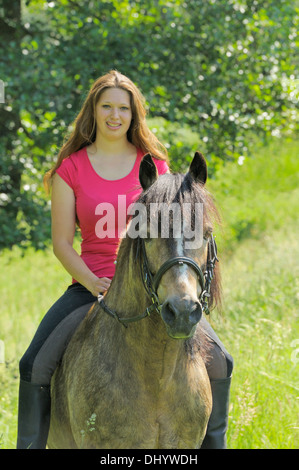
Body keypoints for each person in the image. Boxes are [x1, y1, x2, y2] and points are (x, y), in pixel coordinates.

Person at [17, 70, 233, 449]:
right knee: (34, 364)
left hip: (156, 286)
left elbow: (175, 238)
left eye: (123, 108)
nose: (115, 115)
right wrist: (89, 280)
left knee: (221, 364)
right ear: (93, 111)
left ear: (134, 115)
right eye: (107, 107)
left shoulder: (157, 169)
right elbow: (62, 243)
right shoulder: (71, 170)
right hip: (92, 284)